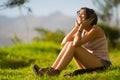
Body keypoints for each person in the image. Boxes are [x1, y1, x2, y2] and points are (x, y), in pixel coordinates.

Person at [32, 7, 111, 76]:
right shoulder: (82, 32)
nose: (78, 16)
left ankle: (55, 72)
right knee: (69, 43)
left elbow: (76, 44)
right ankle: (51, 70)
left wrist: (80, 28)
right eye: (78, 14)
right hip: (89, 63)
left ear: (89, 19)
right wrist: (76, 28)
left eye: (82, 14)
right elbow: (63, 43)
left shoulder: (95, 30)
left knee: (74, 46)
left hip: (102, 64)